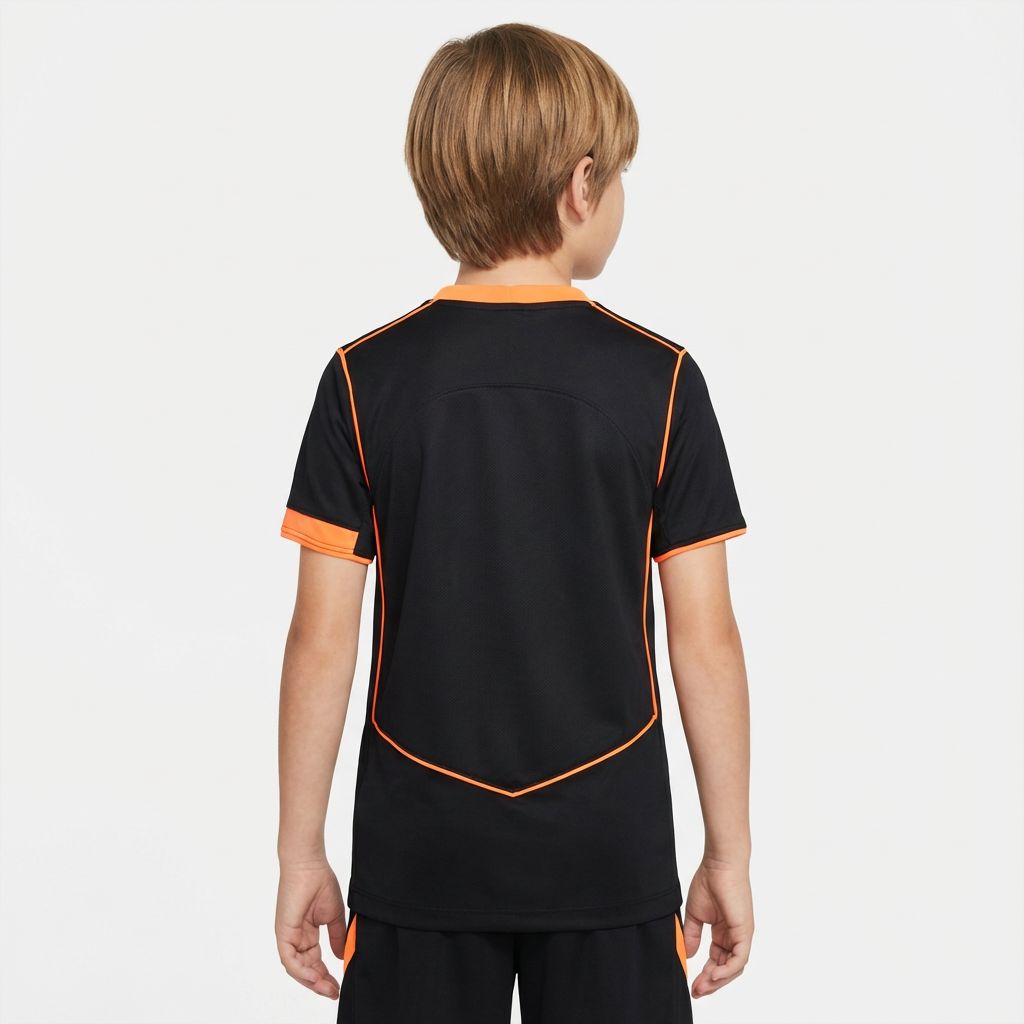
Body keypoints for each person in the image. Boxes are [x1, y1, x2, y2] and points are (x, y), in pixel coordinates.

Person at [274, 23, 752, 1024]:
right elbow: (704, 639)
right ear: (581, 186)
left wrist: (300, 851)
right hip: (608, 850)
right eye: (619, 176)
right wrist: (728, 851)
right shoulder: (661, 381)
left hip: (420, 852)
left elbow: (321, 639)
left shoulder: (362, 380)